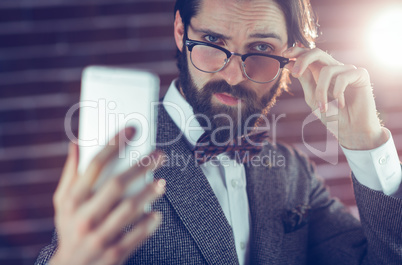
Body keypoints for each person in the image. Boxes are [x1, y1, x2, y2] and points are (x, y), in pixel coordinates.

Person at [36, 0, 402, 264]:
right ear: (181, 31)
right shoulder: (119, 161)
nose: (233, 75)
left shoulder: (294, 174)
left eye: (260, 48)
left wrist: (366, 144)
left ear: (292, 57)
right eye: (213, 43)